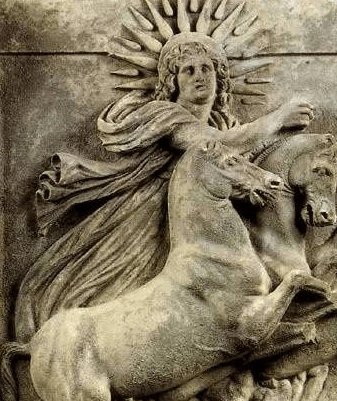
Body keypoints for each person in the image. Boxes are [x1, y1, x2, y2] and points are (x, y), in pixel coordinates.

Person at [14, 35, 315, 343]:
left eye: (206, 69)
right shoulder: (165, 114)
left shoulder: (226, 124)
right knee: (114, 290)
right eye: (188, 70)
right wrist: (278, 118)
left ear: (219, 76)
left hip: (202, 216)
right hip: (147, 215)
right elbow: (208, 144)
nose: (199, 76)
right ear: (173, 81)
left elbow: (239, 165)